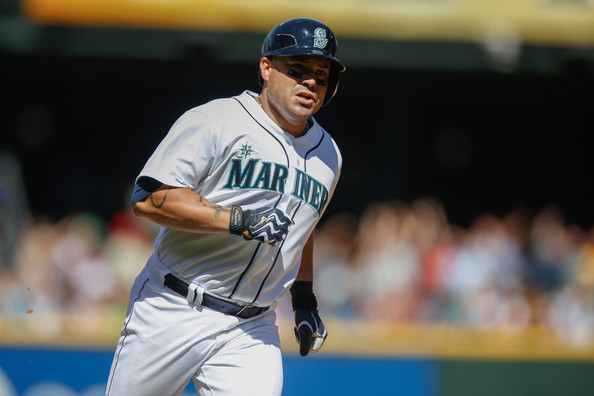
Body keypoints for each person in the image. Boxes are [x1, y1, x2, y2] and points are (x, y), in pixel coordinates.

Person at [105, 17, 346, 396]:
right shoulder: (216, 120)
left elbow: (304, 224)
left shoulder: (329, 154)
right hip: (174, 305)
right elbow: (149, 198)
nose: (310, 82)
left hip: (253, 327)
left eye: (322, 73)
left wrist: (304, 298)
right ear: (266, 67)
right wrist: (238, 220)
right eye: (297, 69)